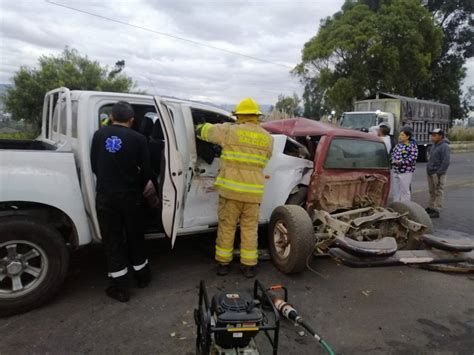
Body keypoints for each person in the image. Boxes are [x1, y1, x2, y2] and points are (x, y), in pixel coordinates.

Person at [196, 98, 273, 278]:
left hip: (230, 191)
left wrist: (199, 124)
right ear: (256, 116)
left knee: (227, 227)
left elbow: (204, 132)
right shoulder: (267, 138)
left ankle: (223, 264)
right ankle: (248, 266)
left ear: (239, 115)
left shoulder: (229, 130)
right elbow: (265, 159)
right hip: (253, 192)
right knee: (249, 229)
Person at [90, 101, 152, 302]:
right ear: (132, 120)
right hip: (130, 195)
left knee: (112, 239)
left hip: (106, 195)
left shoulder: (99, 135)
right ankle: (143, 277)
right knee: (135, 235)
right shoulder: (139, 138)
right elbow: (147, 171)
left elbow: (94, 164)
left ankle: (120, 287)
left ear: (111, 117)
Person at [425, 128, 450, 218]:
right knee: (431, 191)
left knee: (438, 191)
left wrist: (439, 172)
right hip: (430, 172)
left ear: (441, 136)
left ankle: (437, 209)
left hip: (438, 173)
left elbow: (446, 161)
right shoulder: (434, 145)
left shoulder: (445, 146)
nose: (432, 137)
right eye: (432, 135)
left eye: (434, 135)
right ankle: (431, 207)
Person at [391, 127, 418, 202]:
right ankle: (396, 205)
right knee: (396, 191)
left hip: (406, 172)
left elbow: (412, 158)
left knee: (404, 191)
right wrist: (393, 160)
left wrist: (401, 162)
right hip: (396, 171)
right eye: (400, 135)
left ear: (408, 137)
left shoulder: (412, 146)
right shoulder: (398, 146)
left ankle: (405, 206)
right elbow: (393, 154)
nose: (400, 137)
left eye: (402, 135)